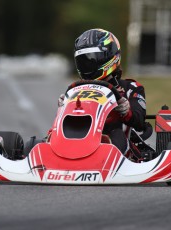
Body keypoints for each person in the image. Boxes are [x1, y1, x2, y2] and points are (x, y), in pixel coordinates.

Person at [58, 28, 148, 157]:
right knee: (50, 136)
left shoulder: (131, 87)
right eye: (83, 60)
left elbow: (140, 122)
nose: (87, 64)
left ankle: (110, 162)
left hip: (117, 143)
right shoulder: (75, 89)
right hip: (80, 136)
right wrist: (65, 105)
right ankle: (54, 152)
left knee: (115, 135)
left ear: (110, 56)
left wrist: (126, 111)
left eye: (92, 59)